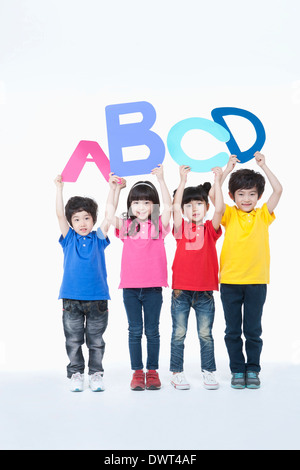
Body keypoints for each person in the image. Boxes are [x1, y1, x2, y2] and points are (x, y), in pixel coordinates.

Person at [209, 152, 283, 389]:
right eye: (241, 194)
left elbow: (279, 190)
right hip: (230, 282)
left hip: (257, 281)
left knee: (253, 330)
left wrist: (265, 165)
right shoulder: (229, 214)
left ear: (258, 196)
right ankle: (237, 370)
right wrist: (227, 170)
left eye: (252, 194)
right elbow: (213, 195)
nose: (247, 198)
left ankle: (253, 369)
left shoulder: (264, 215)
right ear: (233, 196)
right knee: (232, 331)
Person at [54, 172, 125, 392]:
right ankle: (76, 373)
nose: (82, 223)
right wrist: (59, 189)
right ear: (71, 223)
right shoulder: (69, 239)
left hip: (97, 301)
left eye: (86, 218)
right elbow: (59, 215)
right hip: (71, 300)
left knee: (96, 341)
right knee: (73, 340)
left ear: (93, 219)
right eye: (76, 219)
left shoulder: (98, 239)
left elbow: (110, 213)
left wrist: (115, 190)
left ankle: (95, 374)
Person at [112, 164, 172, 391]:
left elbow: (169, 206)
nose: (141, 206)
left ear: (153, 205)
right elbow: (109, 215)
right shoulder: (127, 226)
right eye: (136, 202)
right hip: (130, 288)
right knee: (135, 330)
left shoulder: (159, 225)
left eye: (147, 202)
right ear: (130, 206)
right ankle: (137, 372)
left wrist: (162, 180)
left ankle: (153, 371)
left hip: (153, 288)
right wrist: (115, 190)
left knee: (153, 331)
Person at [170, 165, 223, 390]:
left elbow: (220, 208)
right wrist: (182, 181)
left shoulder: (211, 228)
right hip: (181, 291)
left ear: (206, 206)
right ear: (183, 209)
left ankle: (209, 372)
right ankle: (176, 372)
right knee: (179, 334)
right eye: (189, 205)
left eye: (199, 204)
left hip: (205, 293)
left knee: (206, 335)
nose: (194, 209)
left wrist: (217, 181)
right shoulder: (181, 228)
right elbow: (173, 208)